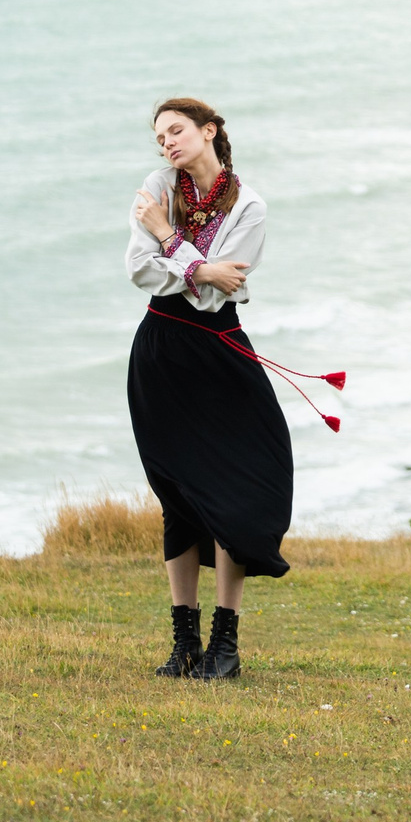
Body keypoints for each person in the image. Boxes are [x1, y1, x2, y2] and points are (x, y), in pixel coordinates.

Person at [125, 96, 289, 680]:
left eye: (176, 131)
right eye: (160, 136)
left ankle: (226, 644)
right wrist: (199, 264)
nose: (167, 143)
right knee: (177, 496)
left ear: (209, 131)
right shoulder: (156, 184)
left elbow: (218, 293)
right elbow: (138, 270)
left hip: (221, 352)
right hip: (162, 352)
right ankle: (182, 642)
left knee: (231, 494)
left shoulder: (249, 205)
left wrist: (169, 239)